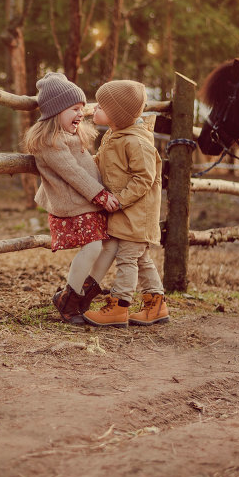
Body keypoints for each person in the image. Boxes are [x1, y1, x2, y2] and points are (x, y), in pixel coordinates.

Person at [23, 73, 120, 324]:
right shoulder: (48, 141)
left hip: (88, 202)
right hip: (73, 206)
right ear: (56, 111)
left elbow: (87, 165)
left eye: (82, 108)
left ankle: (82, 297)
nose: (81, 114)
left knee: (110, 246)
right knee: (93, 247)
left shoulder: (73, 134)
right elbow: (72, 172)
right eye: (74, 109)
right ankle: (69, 299)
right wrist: (100, 195)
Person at [85, 79, 170, 328]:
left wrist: (119, 201)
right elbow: (101, 162)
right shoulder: (115, 135)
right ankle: (156, 305)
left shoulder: (136, 142)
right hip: (127, 213)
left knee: (127, 259)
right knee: (141, 259)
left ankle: (120, 306)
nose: (94, 109)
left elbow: (145, 178)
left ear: (117, 114)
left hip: (137, 214)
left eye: (101, 106)